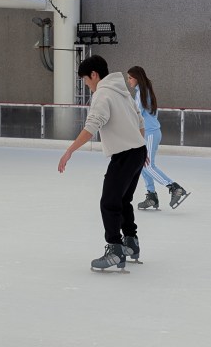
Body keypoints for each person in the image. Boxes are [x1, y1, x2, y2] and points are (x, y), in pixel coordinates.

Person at [58, 55, 147, 272]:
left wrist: (70, 151)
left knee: (109, 202)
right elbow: (140, 120)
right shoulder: (122, 91)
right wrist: (140, 144)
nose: (87, 85)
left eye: (85, 80)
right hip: (137, 151)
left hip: (125, 154)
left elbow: (92, 126)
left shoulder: (103, 94)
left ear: (94, 75)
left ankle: (115, 250)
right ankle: (131, 243)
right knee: (123, 200)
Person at [126, 65, 190, 210]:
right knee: (142, 165)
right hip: (147, 133)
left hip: (149, 133)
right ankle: (152, 196)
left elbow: (135, 114)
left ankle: (174, 187)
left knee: (147, 165)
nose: (128, 81)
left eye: (130, 78)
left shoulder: (142, 92)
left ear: (137, 78)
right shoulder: (144, 91)